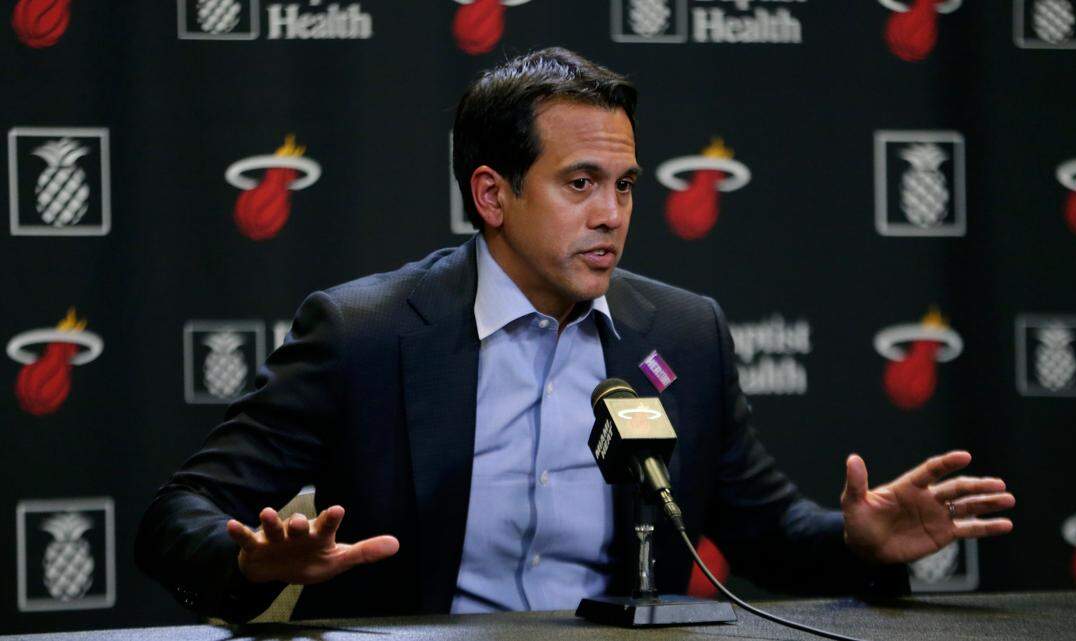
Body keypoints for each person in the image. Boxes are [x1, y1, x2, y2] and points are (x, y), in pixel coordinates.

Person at [136, 48, 1014, 623]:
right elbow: (176, 517)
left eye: (626, 185)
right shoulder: (364, 333)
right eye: (581, 182)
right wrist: (253, 563)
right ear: (492, 195)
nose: (612, 215)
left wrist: (859, 541)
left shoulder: (684, 331)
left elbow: (765, 531)